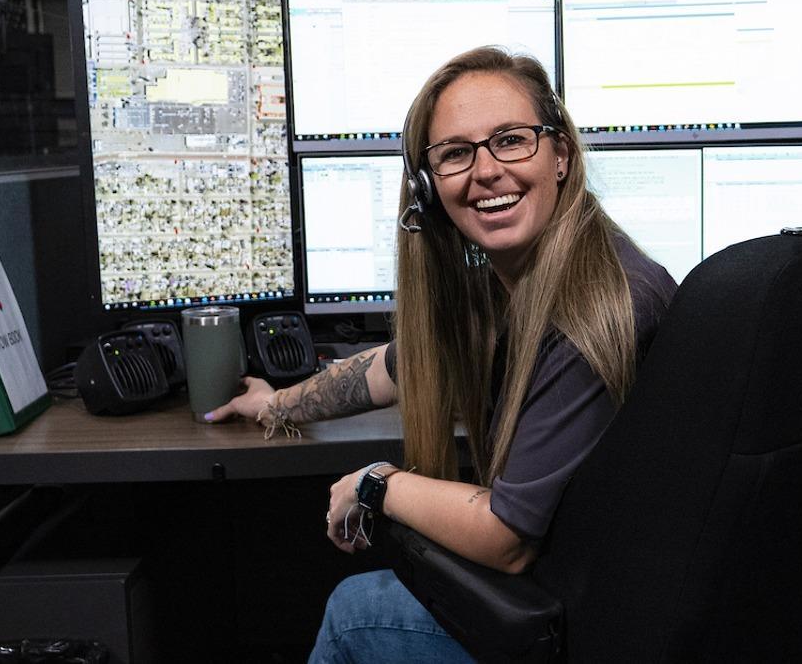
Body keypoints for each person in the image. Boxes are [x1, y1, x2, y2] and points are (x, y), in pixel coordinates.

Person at [207, 46, 678, 662]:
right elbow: (398, 367)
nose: (485, 171)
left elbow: (504, 536)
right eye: (456, 153)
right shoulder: (519, 286)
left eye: (511, 140)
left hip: (592, 623)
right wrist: (276, 404)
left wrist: (377, 483)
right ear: (429, 190)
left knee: (356, 614)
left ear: (561, 155)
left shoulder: (593, 307)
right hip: (584, 587)